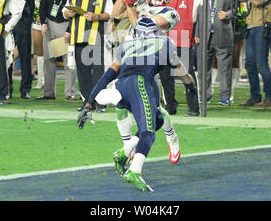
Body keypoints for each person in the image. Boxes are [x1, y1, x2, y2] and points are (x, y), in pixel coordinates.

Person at [77, 16, 196, 192]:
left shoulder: (126, 46)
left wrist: (89, 103)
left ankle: (125, 151)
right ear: (156, 31)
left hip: (122, 85)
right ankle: (134, 170)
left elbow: (107, 75)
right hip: (140, 84)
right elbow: (178, 68)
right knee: (148, 132)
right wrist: (189, 83)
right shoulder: (165, 41)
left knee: (158, 120)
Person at [114, 0, 182, 165]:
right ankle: (128, 146)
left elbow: (142, 26)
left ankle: (171, 136)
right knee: (119, 104)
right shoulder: (142, 1)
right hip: (128, 55)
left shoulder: (171, 13)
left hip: (148, 61)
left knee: (156, 110)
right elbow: (115, 13)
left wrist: (131, 5)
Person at [62, 0, 114, 108]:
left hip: (95, 37)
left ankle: (101, 104)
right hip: (78, 37)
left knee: (98, 72)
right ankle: (87, 102)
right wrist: (68, 13)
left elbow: (111, 13)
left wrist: (96, 16)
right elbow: (64, 11)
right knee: (83, 73)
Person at [230, 0, 271, 107]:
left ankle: (270, 97)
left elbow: (258, 0)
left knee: (261, 63)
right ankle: (255, 97)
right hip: (251, 26)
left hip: (263, 26)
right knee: (249, 63)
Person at [160, 0, 201, 115]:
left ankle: (194, 108)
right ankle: (171, 106)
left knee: (187, 74)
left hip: (183, 40)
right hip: (164, 40)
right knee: (165, 76)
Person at [36, 0, 78, 100]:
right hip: (49, 24)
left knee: (69, 60)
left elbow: (73, 10)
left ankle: (70, 92)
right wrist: (43, 23)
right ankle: (48, 92)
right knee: (49, 60)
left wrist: (69, 29)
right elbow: (43, 6)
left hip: (64, 25)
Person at [196, 0, 235, 105]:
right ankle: (204, 95)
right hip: (204, 35)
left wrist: (228, 14)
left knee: (224, 68)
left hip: (223, 34)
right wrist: (196, 33)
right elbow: (197, 15)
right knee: (203, 68)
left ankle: (225, 96)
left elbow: (237, 11)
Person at [1, 0, 35, 99]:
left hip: (23, 20)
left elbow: (31, 0)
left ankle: (25, 89)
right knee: (7, 54)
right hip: (6, 20)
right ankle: (7, 88)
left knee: (26, 55)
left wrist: (29, 19)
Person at [33, 0, 49, 90]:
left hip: (49, 25)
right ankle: (40, 80)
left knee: (50, 54)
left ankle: (49, 81)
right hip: (36, 25)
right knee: (40, 53)